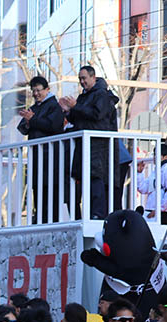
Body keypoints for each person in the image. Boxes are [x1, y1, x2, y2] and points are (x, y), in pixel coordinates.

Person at [59, 65, 119, 220]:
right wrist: (68, 111)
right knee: (83, 179)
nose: (82, 82)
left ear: (93, 77)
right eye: (80, 79)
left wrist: (76, 107)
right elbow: (79, 118)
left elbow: (97, 115)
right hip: (84, 145)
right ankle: (86, 214)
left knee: (95, 179)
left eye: (84, 78)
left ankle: (97, 214)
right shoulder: (84, 96)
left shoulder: (101, 95)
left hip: (97, 146)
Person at [18, 75, 66, 223]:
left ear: (47, 89)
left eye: (38, 90)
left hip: (50, 157)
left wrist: (33, 120)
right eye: (33, 91)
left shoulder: (54, 106)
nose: (36, 94)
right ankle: (39, 218)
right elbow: (22, 127)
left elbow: (53, 126)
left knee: (50, 193)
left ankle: (48, 220)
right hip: (36, 156)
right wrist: (28, 122)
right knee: (37, 191)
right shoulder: (34, 107)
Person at [137, 142, 167, 223]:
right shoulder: (155, 171)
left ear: (166, 157)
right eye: (154, 154)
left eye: (157, 154)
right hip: (151, 209)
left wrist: (159, 209)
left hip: (163, 212)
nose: (154, 157)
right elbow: (143, 189)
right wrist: (139, 173)